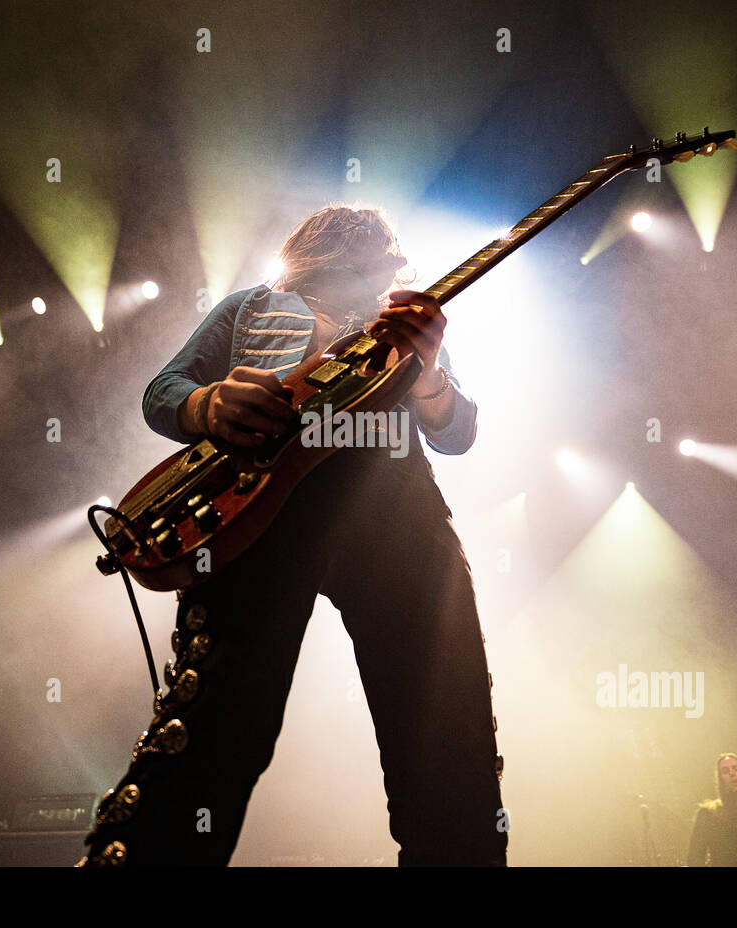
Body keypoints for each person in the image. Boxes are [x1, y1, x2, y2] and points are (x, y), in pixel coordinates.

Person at [84, 203, 506, 866]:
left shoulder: (407, 319)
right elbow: (164, 389)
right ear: (309, 247)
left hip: (395, 508)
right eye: (343, 238)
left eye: (372, 241)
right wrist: (210, 402)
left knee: (444, 730)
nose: (357, 246)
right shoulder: (250, 306)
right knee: (219, 719)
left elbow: (458, 433)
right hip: (261, 511)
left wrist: (429, 376)